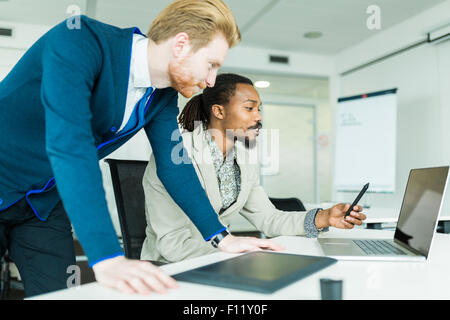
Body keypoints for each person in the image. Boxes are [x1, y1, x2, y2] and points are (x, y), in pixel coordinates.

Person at [0, 0, 265, 297]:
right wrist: (107, 256)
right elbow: (71, 147)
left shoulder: (161, 96)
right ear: (181, 44)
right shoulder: (77, 40)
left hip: (43, 205)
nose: (211, 81)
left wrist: (221, 238)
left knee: (64, 294)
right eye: (211, 64)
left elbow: (174, 165)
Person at [140, 73, 367, 263]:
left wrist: (324, 218)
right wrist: (236, 257)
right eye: (249, 108)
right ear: (219, 112)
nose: (259, 117)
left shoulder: (244, 158)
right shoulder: (176, 154)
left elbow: (269, 218)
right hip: (169, 267)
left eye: (259, 109)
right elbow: (172, 243)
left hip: (219, 260)